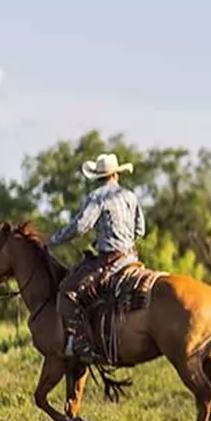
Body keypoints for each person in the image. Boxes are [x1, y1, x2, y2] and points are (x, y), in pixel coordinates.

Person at [49, 152, 146, 361]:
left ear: (99, 177)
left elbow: (80, 226)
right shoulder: (130, 196)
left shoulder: (97, 197)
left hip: (110, 261)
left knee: (68, 291)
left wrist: (54, 239)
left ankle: (82, 344)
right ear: (116, 175)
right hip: (131, 259)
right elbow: (140, 230)